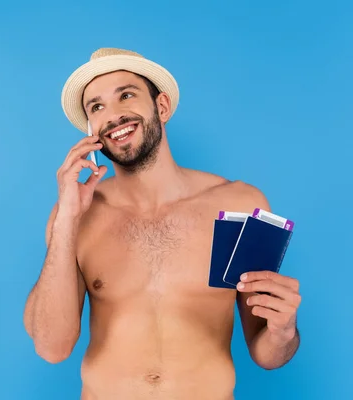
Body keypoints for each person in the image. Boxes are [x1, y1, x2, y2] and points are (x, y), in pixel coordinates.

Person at [23, 47, 302, 399]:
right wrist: (66, 218)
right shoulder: (76, 216)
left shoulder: (240, 205)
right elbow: (52, 347)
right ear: (92, 131)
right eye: (96, 107)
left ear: (162, 106)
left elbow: (267, 354)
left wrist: (284, 331)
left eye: (126, 95)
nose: (113, 115)